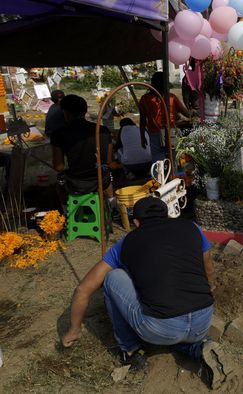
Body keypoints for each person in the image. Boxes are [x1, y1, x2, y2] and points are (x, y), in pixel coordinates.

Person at [60, 197, 233, 386]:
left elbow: (83, 290)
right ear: (168, 216)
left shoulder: (126, 243)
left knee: (112, 278)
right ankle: (199, 347)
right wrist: (207, 287)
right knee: (175, 327)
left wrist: (74, 331)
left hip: (161, 329)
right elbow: (209, 269)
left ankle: (131, 351)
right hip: (203, 321)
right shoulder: (192, 227)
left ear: (135, 222)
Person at [50, 95, 120, 219]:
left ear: (66, 112)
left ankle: (67, 213)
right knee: (106, 171)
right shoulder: (103, 130)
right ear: (85, 110)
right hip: (101, 181)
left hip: (77, 183)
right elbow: (108, 161)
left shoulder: (59, 133)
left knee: (60, 179)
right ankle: (114, 206)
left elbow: (58, 167)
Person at [139, 72, 197, 163]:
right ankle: (174, 176)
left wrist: (142, 137)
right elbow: (187, 114)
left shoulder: (145, 99)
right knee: (174, 160)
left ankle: (159, 177)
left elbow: (142, 121)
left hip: (155, 134)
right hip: (172, 132)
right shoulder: (172, 97)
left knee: (158, 162)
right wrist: (192, 111)